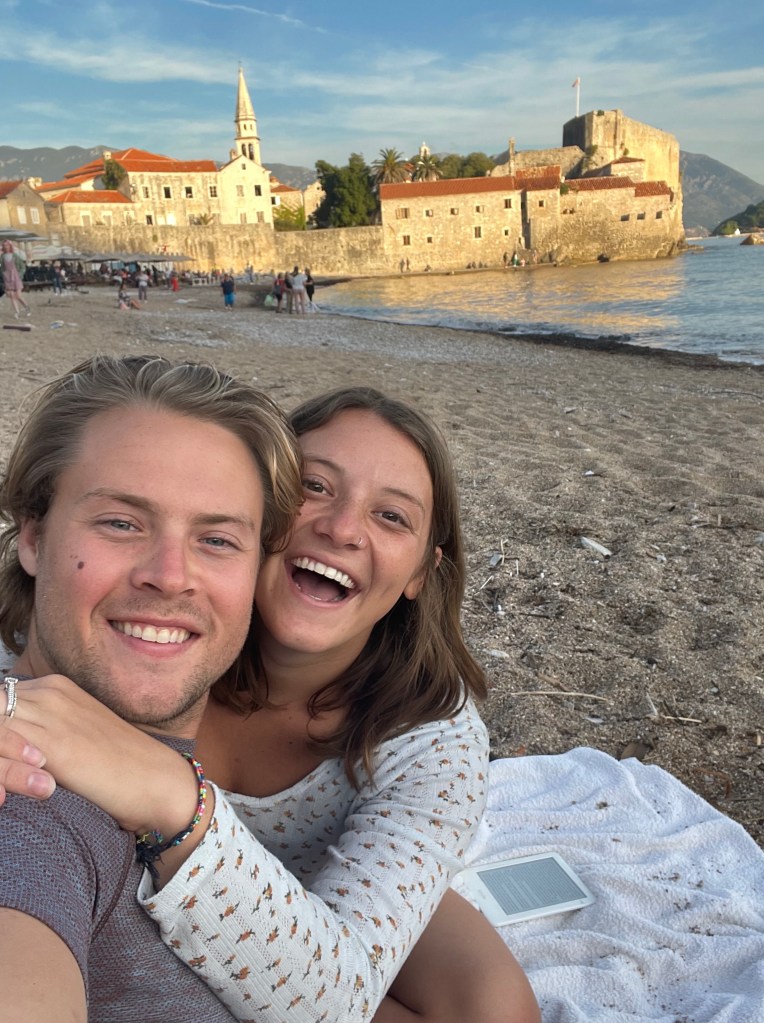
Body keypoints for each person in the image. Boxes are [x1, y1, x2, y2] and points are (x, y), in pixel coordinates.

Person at [0, 387, 540, 1023]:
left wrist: (172, 794)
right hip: (175, 881)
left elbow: (341, 994)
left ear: (422, 571)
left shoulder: (431, 739)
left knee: (495, 1008)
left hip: (322, 890)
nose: (342, 528)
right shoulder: (150, 647)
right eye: (315, 486)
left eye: (393, 516)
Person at [0, 354, 304, 1023]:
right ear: (33, 536)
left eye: (216, 539)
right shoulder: (28, 794)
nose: (170, 575)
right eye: (121, 522)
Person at [1, 240, 31, 319]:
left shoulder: (15, 255)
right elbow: (2, 267)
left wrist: (20, 274)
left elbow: (22, 266)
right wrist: (3, 274)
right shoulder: (2, 256)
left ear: (10, 246)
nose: (5, 247)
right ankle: (16, 312)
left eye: (7, 245)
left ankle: (26, 307)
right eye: (4, 245)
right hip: (7, 277)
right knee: (11, 296)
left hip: (16, 276)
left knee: (18, 296)